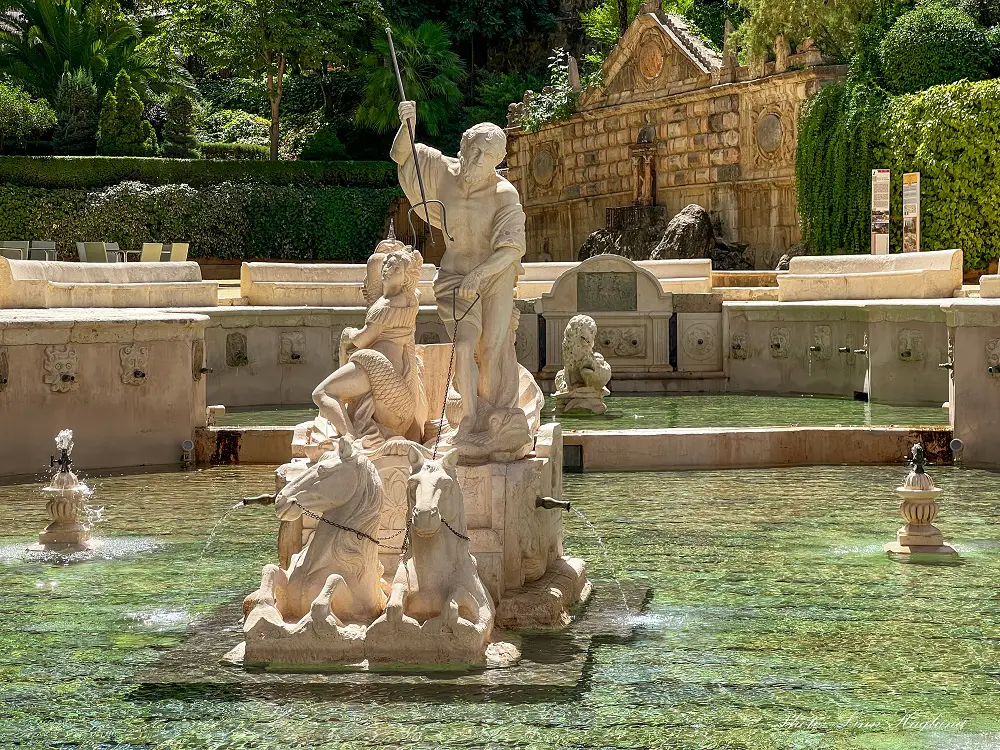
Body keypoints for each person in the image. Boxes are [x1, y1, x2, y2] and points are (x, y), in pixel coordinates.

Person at [391, 100, 526, 445]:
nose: (476, 160)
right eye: (473, 150)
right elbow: (403, 157)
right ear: (463, 146)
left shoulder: (503, 194)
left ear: (497, 162)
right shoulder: (443, 171)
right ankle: (469, 420)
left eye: (486, 156)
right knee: (466, 345)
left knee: (492, 350)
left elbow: (511, 249)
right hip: (454, 275)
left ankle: (493, 418)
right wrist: (408, 125)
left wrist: (479, 276)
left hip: (494, 276)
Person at [312, 244, 427, 446]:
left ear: (405, 277)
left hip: (377, 366)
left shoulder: (384, 307)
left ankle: (350, 438)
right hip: (396, 372)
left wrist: (348, 333)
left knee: (322, 393)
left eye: (396, 269)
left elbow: (361, 340)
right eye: (388, 265)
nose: (388, 270)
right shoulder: (411, 300)